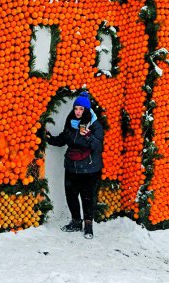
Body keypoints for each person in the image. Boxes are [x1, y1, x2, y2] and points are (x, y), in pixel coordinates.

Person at [46, 92, 104, 239]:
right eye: (76, 108)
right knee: (71, 195)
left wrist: (88, 135)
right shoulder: (71, 120)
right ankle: (76, 222)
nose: (78, 112)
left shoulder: (94, 124)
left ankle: (88, 226)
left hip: (89, 168)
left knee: (87, 197)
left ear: (86, 110)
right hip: (71, 165)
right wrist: (50, 139)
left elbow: (98, 146)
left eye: (81, 109)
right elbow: (64, 138)